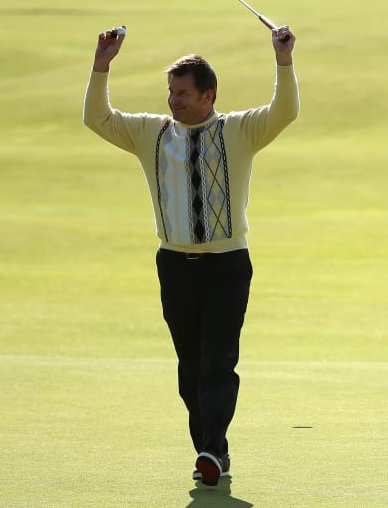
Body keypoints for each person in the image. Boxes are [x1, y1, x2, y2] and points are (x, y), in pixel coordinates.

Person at [82, 24, 299, 486]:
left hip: (227, 265)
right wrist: (102, 66)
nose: (173, 101)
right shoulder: (151, 133)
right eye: (170, 92)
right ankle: (214, 453)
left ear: (209, 95)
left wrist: (283, 60)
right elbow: (97, 119)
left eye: (182, 93)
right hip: (174, 265)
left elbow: (285, 112)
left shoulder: (240, 130)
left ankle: (209, 450)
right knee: (189, 369)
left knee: (217, 362)